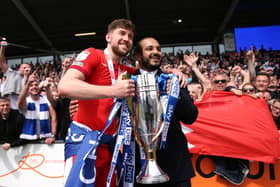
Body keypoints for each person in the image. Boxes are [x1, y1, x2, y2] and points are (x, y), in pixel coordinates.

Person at [58, 19, 137, 187]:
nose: (127, 38)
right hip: (83, 142)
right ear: (108, 37)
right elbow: (65, 87)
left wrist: (175, 73)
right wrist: (113, 91)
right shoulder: (93, 54)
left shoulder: (128, 73)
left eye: (130, 36)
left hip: (110, 147)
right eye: (122, 33)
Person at [133, 37, 198, 187]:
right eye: (149, 49)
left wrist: (177, 94)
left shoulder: (174, 79)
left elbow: (190, 117)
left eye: (158, 49)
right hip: (140, 168)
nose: (156, 52)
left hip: (175, 167)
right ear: (137, 55)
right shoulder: (127, 81)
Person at [17, 72, 57, 144]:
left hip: (46, 138)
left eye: (36, 85)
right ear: (28, 88)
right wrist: (28, 83)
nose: (34, 87)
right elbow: (20, 102)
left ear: (39, 87)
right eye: (31, 85)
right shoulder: (26, 100)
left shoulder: (46, 99)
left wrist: (53, 135)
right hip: (28, 138)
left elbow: (53, 117)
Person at [0, 40, 31, 110]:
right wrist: (2, 48)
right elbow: (1, 62)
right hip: (8, 104)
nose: (26, 69)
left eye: (28, 68)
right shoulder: (11, 73)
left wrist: (26, 76)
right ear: (19, 69)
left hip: (22, 107)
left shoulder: (31, 79)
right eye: (24, 67)